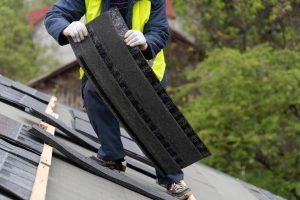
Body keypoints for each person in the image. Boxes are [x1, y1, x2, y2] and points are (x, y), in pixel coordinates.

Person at [45, 0, 192, 199]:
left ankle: (173, 178)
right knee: (92, 92)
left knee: (154, 123)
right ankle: (112, 157)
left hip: (145, 69)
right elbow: (55, 15)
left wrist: (145, 41)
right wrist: (66, 28)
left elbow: (160, 30)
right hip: (102, 61)